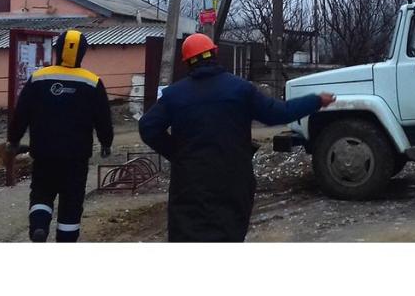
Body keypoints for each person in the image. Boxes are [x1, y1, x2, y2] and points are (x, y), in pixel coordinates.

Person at [139, 33, 335, 242]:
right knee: (229, 233)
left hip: (190, 183)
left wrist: (177, 154)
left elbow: (147, 126)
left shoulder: (174, 95)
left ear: (187, 62)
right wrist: (315, 101)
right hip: (233, 180)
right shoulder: (240, 89)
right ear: (215, 54)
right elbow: (279, 113)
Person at [7, 29, 113, 242]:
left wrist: (14, 139)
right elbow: (103, 118)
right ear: (82, 53)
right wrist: (106, 143)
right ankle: (66, 240)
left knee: (41, 193)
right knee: (71, 201)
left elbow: (22, 113)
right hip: (76, 157)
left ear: (57, 50)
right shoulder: (92, 82)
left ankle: (39, 226)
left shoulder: (38, 78)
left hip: (44, 153)